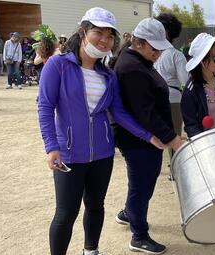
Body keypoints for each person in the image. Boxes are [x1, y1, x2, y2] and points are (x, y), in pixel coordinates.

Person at [37, 7, 164, 255]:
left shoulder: (107, 74)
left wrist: (149, 136)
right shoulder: (58, 65)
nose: (105, 40)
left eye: (110, 36)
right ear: (83, 31)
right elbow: (45, 107)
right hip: (69, 154)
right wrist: (51, 147)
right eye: (98, 33)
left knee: (96, 206)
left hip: (103, 155)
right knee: (66, 213)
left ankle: (91, 250)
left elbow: (119, 113)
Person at [112, 17, 183, 254]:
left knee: (141, 184)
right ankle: (139, 236)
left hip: (147, 139)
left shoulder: (138, 60)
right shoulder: (132, 67)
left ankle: (128, 213)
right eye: (154, 48)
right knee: (141, 187)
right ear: (139, 42)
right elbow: (145, 112)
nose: (158, 53)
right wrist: (171, 137)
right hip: (140, 141)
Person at [153, 13, 188, 140]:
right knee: (174, 136)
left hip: (154, 98)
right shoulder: (176, 55)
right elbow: (186, 81)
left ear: (165, 32)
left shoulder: (152, 54)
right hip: (173, 99)